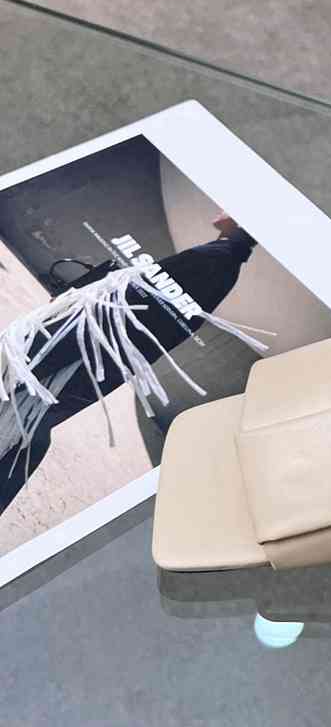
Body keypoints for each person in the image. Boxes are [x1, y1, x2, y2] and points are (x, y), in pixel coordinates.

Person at [0, 215, 260, 516]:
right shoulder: (224, 263)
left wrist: (52, 340)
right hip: (94, 358)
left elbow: (132, 312)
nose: (221, 211)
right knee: (27, 426)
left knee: (24, 424)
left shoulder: (218, 258)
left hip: (79, 352)